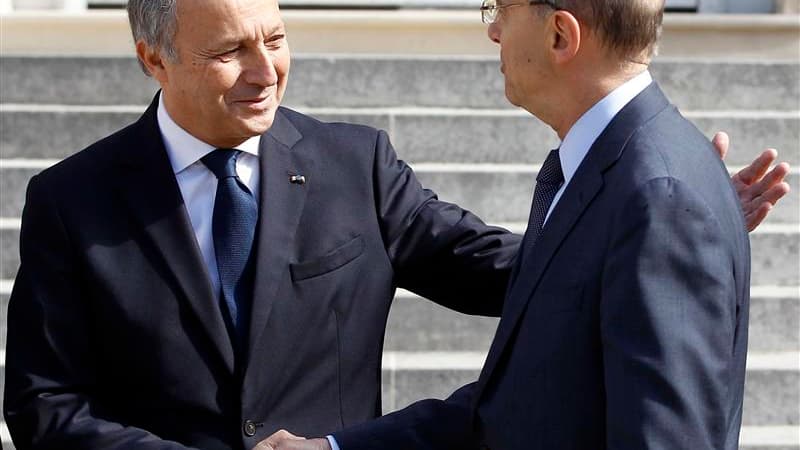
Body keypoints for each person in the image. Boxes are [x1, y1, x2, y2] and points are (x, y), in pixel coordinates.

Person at [2, 0, 788, 449]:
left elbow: (506, 271)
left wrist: (646, 229)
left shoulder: (355, 164)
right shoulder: (72, 202)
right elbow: (45, 407)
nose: (264, 71)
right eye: (229, 52)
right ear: (152, 58)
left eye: (275, 40)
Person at [258, 1, 786, 449]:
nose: (492, 31)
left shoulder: (656, 194)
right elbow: (513, 405)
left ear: (560, 34)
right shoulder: (609, 175)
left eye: (500, 10)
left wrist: (671, 216)